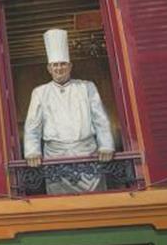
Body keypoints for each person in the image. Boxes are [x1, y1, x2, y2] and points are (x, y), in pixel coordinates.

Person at [23, 28, 116, 194]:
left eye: (63, 64)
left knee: (96, 202)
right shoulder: (40, 92)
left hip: (87, 154)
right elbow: (32, 127)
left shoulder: (87, 87)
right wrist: (32, 151)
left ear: (70, 66)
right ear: (49, 68)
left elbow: (100, 119)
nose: (59, 68)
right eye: (55, 65)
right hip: (56, 158)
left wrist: (106, 146)